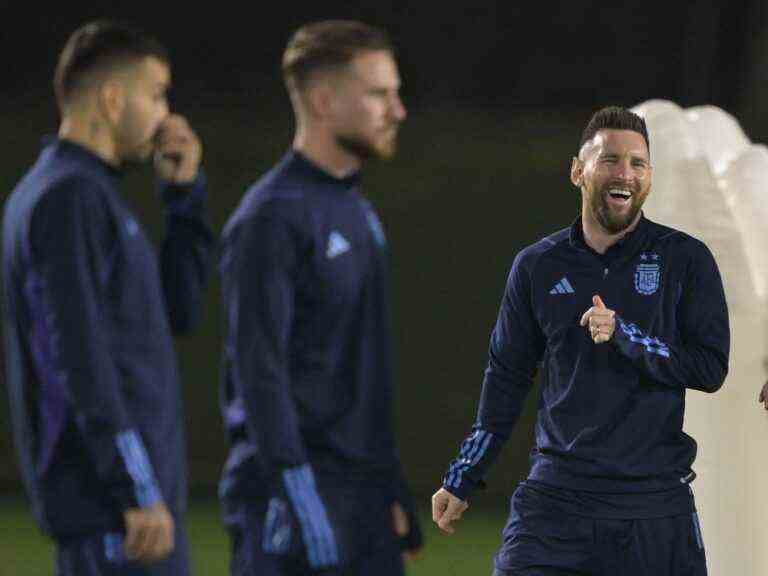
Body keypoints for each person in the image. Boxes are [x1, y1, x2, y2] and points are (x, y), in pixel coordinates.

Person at [432, 106, 730, 575]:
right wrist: (463, 476)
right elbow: (507, 380)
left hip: (653, 506)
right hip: (556, 499)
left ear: (650, 175)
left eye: (638, 163)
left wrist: (626, 336)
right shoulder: (537, 265)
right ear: (577, 170)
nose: (625, 174)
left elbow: (710, 368)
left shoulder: (685, 259)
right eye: (610, 160)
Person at [1, 20, 212, 575]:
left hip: (132, 506)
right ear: (113, 97)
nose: (166, 115)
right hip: (116, 513)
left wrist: (184, 199)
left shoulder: (88, 194)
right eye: (157, 94)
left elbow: (178, 314)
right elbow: (77, 356)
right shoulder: (67, 198)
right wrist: (135, 487)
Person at [218, 19, 422, 576]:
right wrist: (297, 493)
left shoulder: (359, 213)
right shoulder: (269, 218)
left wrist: (389, 482)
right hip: (290, 497)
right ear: (326, 101)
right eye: (380, 94)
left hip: (362, 499)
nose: (397, 110)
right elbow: (258, 374)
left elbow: (365, 372)